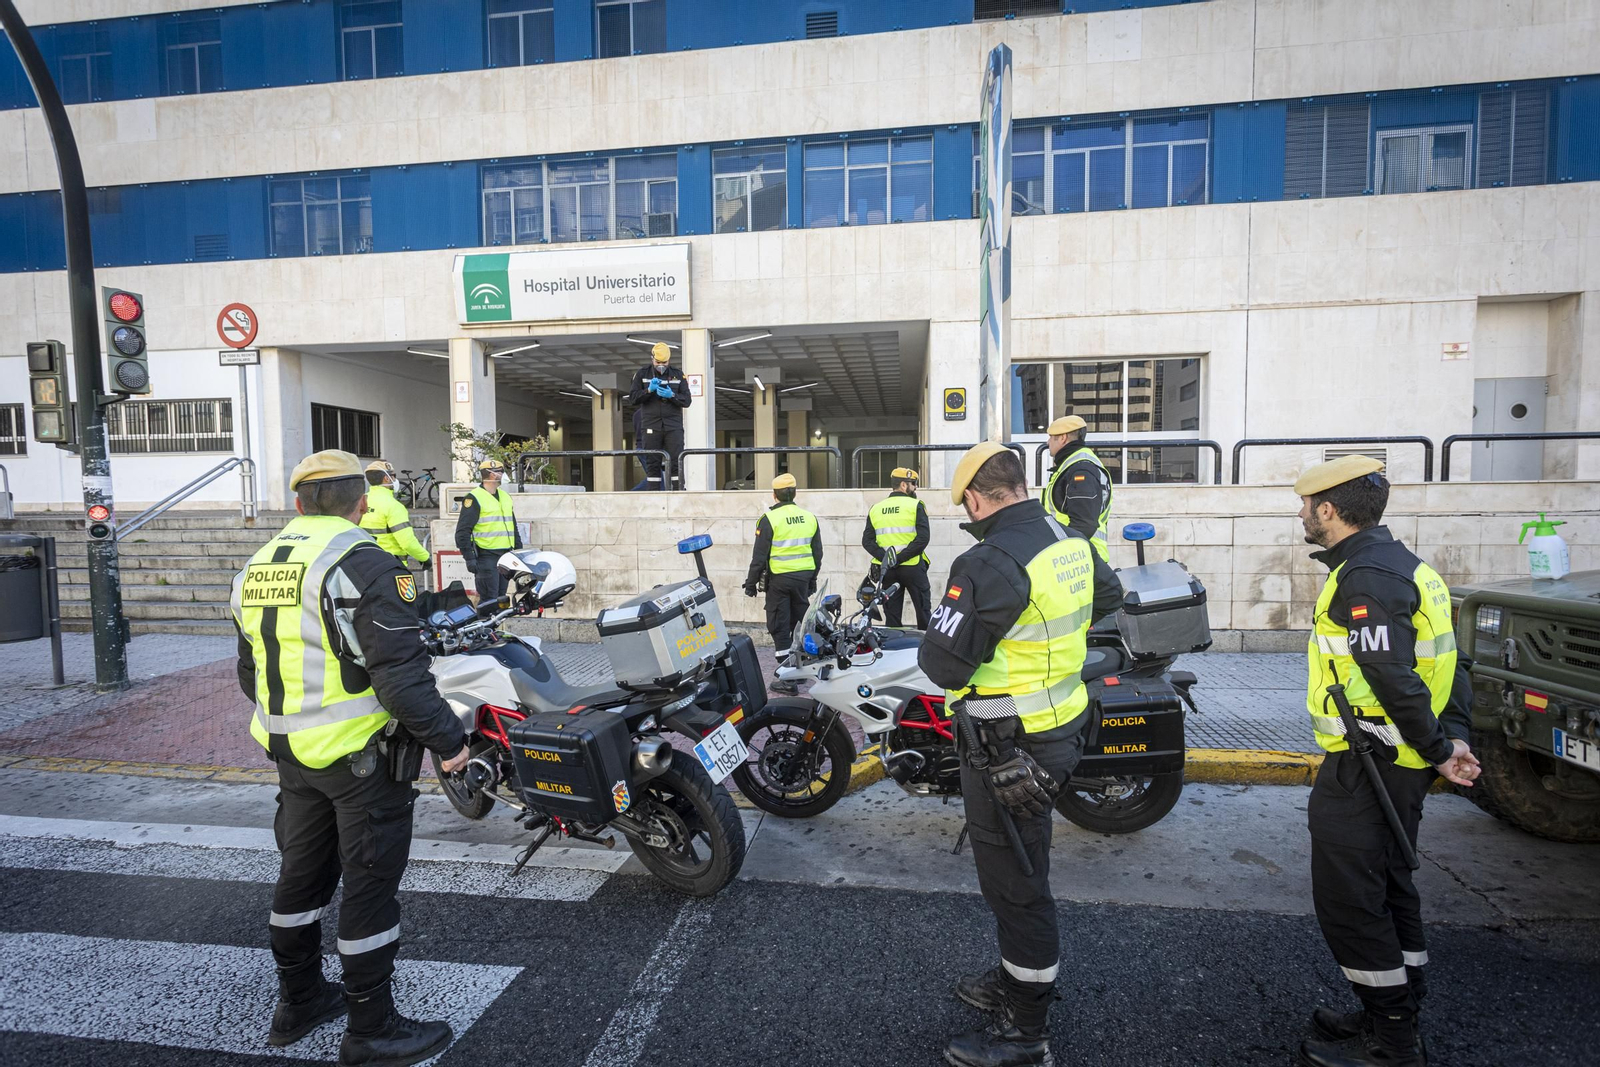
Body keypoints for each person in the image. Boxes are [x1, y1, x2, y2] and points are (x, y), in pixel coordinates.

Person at [230, 449, 471, 1066]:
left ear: (297, 502)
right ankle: (371, 1029)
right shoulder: (364, 563)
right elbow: (401, 680)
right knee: (369, 888)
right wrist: (450, 743)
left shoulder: (256, 568)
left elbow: (249, 672)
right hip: (361, 760)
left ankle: (300, 1001)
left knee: (301, 877)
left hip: (291, 753)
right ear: (362, 501)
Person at [917, 442, 1122, 1067]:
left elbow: (942, 665)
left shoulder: (989, 561)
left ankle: (1026, 1033)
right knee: (1021, 874)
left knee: (1018, 886)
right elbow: (1107, 598)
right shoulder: (1070, 537)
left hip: (1008, 747)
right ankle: (1015, 977)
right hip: (1062, 727)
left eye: (968, 508)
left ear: (976, 499)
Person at [1293, 455, 1479, 1067]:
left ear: (1327, 510)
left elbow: (1393, 676)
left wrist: (1437, 748)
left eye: (1306, 506)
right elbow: (1453, 667)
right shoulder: (1407, 567)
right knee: (1389, 886)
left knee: (1350, 900)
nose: (1301, 515)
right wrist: (1450, 741)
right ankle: (1396, 1004)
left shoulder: (1366, 576)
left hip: (1369, 764)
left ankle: (1393, 1039)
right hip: (1395, 763)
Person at [743, 472, 823, 695]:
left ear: (774, 495)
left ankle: (787, 680)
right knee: (800, 625)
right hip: (803, 580)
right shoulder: (809, 517)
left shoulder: (769, 519)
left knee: (779, 626)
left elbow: (759, 557)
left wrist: (750, 584)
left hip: (779, 581)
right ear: (795, 493)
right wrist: (812, 580)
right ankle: (800, 670)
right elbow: (818, 553)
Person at [861, 466, 931, 629]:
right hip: (912, 567)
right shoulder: (916, 505)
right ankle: (926, 648)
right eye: (913, 483)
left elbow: (867, 541)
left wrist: (887, 558)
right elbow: (923, 538)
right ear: (904, 485)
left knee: (891, 615)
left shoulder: (876, 508)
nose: (915, 487)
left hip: (887, 570)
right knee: (923, 610)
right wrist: (900, 558)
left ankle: (893, 649)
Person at [1041, 414, 1112, 562]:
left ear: (1063, 438)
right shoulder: (1072, 465)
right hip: (1078, 557)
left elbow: (1083, 524)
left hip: (1081, 560)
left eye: (1051, 437)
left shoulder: (1081, 471)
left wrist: (1065, 556)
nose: (1048, 442)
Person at [453, 459, 522, 603]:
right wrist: (469, 558)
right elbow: (462, 532)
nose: (503, 475)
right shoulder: (474, 498)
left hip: (506, 556)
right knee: (489, 600)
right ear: (491, 475)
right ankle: (485, 625)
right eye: (500, 472)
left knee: (502, 598)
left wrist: (519, 551)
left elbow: (512, 525)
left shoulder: (504, 496)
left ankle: (496, 626)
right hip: (486, 557)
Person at [628, 341, 691, 490]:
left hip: (673, 426)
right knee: (653, 463)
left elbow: (687, 400)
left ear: (669, 360)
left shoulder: (678, 375)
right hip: (651, 426)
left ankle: (678, 492)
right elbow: (633, 398)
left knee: (676, 461)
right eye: (658, 362)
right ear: (652, 358)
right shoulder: (642, 374)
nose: (661, 365)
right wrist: (648, 391)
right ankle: (654, 496)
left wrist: (672, 395)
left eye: (664, 362)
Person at [359, 461, 430, 571]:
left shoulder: (360, 502)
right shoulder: (394, 506)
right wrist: (424, 558)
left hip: (364, 563)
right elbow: (407, 542)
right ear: (386, 478)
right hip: (390, 566)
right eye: (393, 476)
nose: (395, 480)